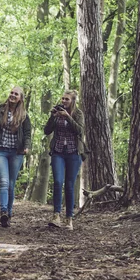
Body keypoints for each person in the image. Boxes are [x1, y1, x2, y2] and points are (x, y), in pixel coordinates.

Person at [0, 86, 31, 228]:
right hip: (0, 150)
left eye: (16, 94)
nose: (13, 95)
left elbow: (27, 133)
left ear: (20, 98)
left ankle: (8, 213)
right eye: (11, 93)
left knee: (11, 184)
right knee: (3, 182)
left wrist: (27, 146)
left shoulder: (24, 115)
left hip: (17, 152)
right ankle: (3, 211)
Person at [44, 90, 85, 230]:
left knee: (69, 185)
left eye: (67, 99)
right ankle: (56, 215)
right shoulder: (57, 113)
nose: (63, 101)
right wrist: (52, 117)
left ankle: (69, 218)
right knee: (58, 181)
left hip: (74, 153)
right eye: (62, 98)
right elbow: (47, 131)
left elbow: (80, 130)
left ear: (73, 100)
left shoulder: (78, 114)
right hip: (58, 152)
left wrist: (67, 117)